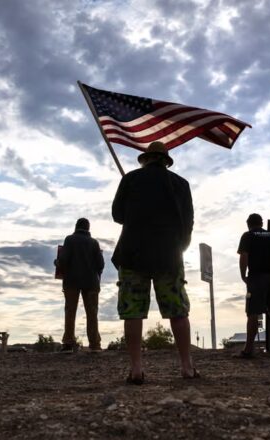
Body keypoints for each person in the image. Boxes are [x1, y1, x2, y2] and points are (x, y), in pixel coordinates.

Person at [112, 141, 197, 384]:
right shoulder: (181, 184)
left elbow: (118, 215)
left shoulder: (130, 179)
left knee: (133, 312)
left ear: (146, 158)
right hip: (169, 255)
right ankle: (186, 366)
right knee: (178, 311)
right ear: (166, 161)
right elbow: (188, 223)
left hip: (132, 254)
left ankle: (136, 369)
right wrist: (179, 247)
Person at [237, 213, 270, 358]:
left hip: (257, 278)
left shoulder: (247, 235)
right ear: (261, 223)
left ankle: (248, 350)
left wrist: (243, 275)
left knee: (252, 313)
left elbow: (244, 256)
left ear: (248, 223)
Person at [56, 217, 104, 352]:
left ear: (76, 227)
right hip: (92, 283)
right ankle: (94, 344)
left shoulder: (70, 240)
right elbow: (101, 264)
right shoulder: (94, 243)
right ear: (88, 228)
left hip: (71, 281)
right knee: (92, 313)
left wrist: (57, 262)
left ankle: (68, 343)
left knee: (70, 312)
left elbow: (63, 260)